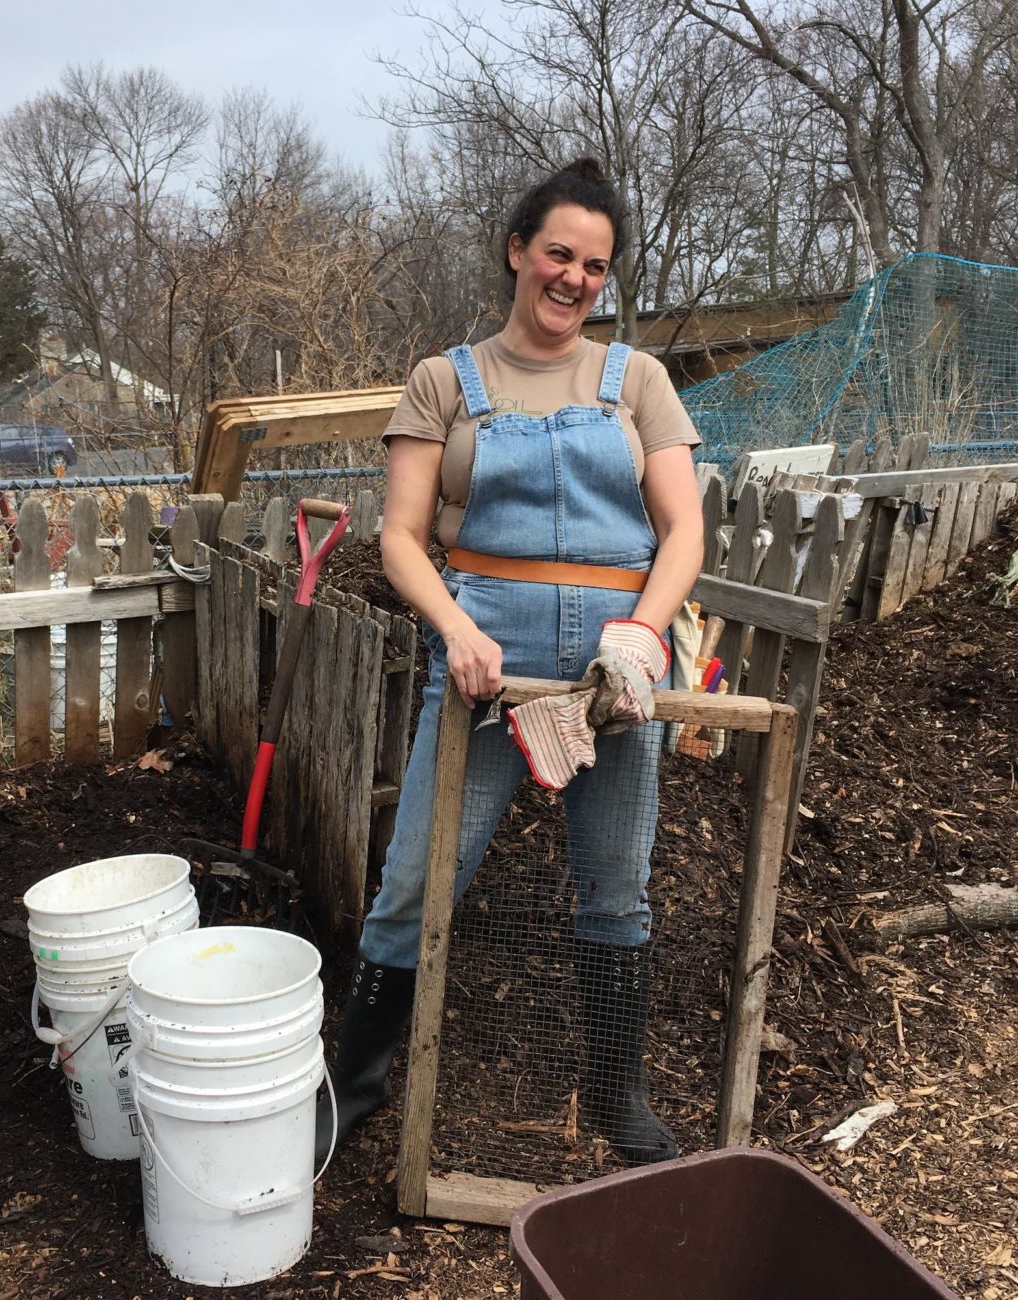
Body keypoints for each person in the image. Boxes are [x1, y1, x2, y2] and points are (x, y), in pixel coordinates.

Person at [314, 157, 704, 1170]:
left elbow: (683, 531)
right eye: (558, 254)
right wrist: (457, 628)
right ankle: (351, 1091)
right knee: (417, 874)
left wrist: (641, 635)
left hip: (612, 671)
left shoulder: (639, 381)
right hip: (489, 652)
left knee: (615, 882)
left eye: (595, 265)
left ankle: (617, 1094)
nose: (574, 279)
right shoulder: (447, 381)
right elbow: (402, 536)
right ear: (518, 251)